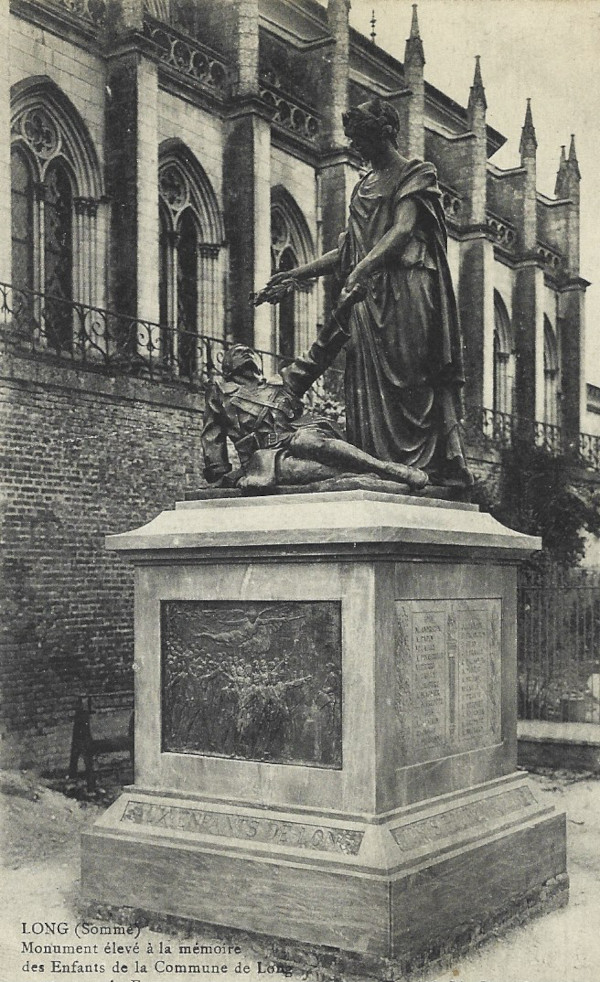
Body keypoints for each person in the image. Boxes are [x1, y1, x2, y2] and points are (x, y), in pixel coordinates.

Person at [258, 98, 473, 487]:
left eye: (360, 138)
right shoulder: (361, 187)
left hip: (408, 285)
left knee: (412, 376)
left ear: (383, 134)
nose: (354, 146)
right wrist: (295, 274)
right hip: (368, 296)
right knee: (368, 385)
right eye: (352, 138)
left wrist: (362, 269)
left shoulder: (417, 172)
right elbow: (347, 250)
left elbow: (403, 229)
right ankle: (381, 466)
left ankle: (429, 465)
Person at [201, 292, 429, 492]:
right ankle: (372, 476)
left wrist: (343, 311)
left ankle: (386, 469)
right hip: (269, 459)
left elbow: (317, 354)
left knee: (305, 439)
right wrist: (221, 474)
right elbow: (212, 437)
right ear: (227, 368)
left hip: (302, 438)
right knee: (326, 471)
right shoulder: (221, 393)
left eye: (247, 350)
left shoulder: (281, 383)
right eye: (236, 351)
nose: (243, 351)